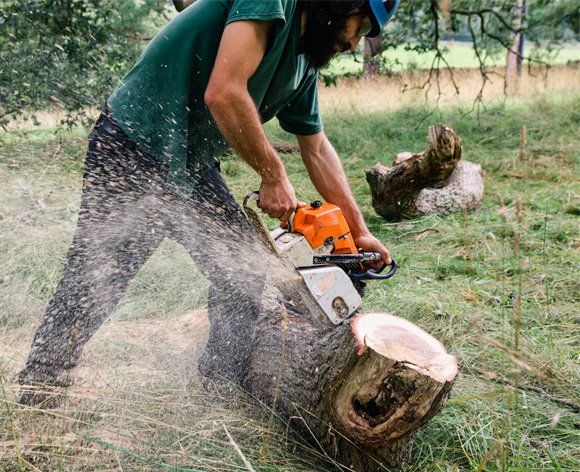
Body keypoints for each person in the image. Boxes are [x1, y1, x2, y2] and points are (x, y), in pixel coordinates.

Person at [18, 0, 400, 406]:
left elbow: (317, 148)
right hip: (136, 142)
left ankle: (219, 391)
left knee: (242, 273)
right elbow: (224, 92)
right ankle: (41, 387)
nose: (355, 43)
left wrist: (359, 232)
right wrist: (273, 175)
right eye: (361, 27)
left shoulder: (304, 59)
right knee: (98, 275)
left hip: (192, 164)